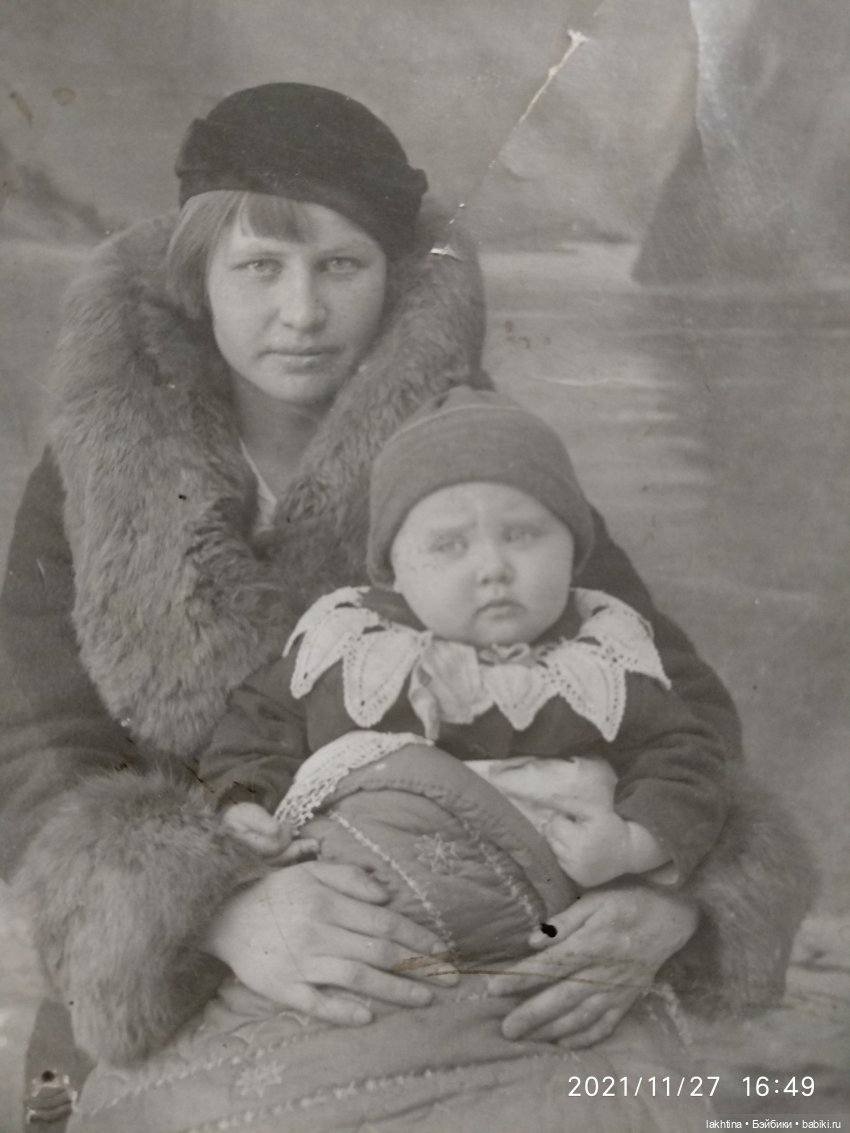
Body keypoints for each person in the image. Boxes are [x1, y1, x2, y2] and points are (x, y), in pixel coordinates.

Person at [0, 82, 813, 1131]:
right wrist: (212, 911)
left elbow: (671, 700)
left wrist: (667, 899)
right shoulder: (95, 468)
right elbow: (37, 743)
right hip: (204, 954)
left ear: (392, 278)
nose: (302, 313)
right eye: (259, 267)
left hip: (474, 941)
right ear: (196, 277)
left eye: (341, 266)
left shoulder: (473, 459)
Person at [201, 385, 729, 895]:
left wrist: (631, 846)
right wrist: (245, 800)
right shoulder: (352, 650)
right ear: (393, 570)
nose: (493, 567)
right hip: (356, 898)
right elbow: (260, 723)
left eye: (521, 535)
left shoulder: (602, 666)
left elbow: (686, 758)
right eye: (449, 545)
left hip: (541, 917)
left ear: (574, 551)